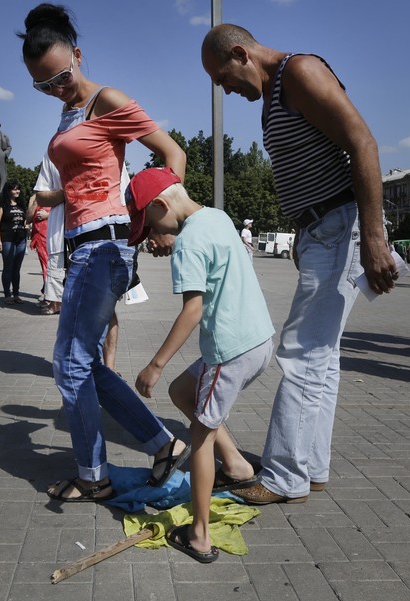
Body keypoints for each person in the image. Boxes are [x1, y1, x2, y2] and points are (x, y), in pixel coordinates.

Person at [201, 24, 397, 504]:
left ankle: (284, 476)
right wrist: (305, 231)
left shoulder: (301, 72)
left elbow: (363, 143)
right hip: (321, 229)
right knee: (322, 358)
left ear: (242, 53)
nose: (224, 89)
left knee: (301, 352)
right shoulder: (275, 95)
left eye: (222, 77)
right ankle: (312, 467)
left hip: (341, 223)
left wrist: (374, 236)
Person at [20, 3, 189, 502]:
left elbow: (172, 152)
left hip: (104, 248)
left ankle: (93, 476)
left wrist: (159, 222)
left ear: (78, 54)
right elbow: (86, 179)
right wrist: (51, 198)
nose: (56, 88)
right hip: (83, 246)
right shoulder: (69, 109)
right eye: (43, 84)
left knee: (68, 365)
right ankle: (163, 443)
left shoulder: (105, 99)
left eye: (61, 76)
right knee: (86, 363)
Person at [129, 167, 274, 563]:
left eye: (148, 227)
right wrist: (169, 238)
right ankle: (239, 467)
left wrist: (155, 365)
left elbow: (192, 311)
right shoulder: (216, 216)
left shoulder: (188, 244)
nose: (150, 238)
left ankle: (199, 535)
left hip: (228, 353)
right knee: (182, 392)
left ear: (160, 205)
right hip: (259, 339)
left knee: (200, 436)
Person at [0, 180, 28, 304]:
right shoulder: (2, 203)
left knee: (16, 269)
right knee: (8, 267)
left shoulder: (21, 204)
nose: (17, 191)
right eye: (14, 189)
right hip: (7, 239)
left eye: (18, 188)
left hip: (21, 240)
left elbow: (24, 220)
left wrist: (27, 225)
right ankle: (7, 294)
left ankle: (16, 294)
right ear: (8, 190)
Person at [26, 193, 51, 304]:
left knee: (55, 266)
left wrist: (48, 215)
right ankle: (48, 294)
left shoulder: (57, 193)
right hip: (40, 236)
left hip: (55, 236)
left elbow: (65, 213)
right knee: (45, 265)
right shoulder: (34, 197)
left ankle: (51, 293)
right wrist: (36, 202)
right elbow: (28, 218)